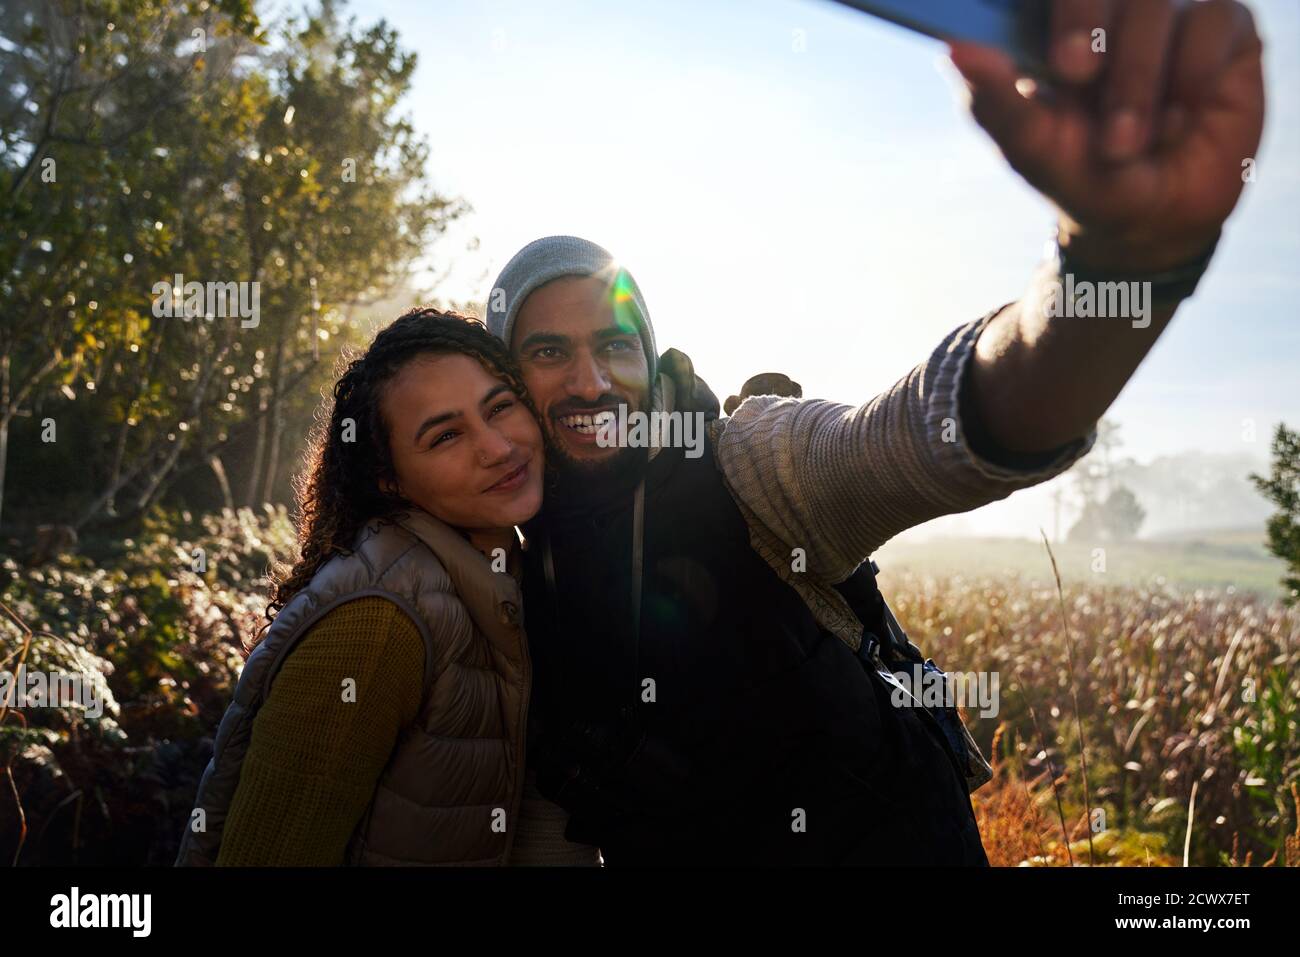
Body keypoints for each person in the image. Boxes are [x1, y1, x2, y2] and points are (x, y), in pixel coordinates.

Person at [484, 0, 1265, 865]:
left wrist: (1121, 263)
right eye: (549, 351)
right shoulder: (513, 544)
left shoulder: (749, 464)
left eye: (615, 346)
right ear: (505, 376)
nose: (591, 382)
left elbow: (929, 436)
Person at [176, 309, 598, 866]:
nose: (496, 447)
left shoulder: (505, 580)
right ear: (389, 478)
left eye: (499, 407)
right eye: (445, 435)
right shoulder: (377, 624)